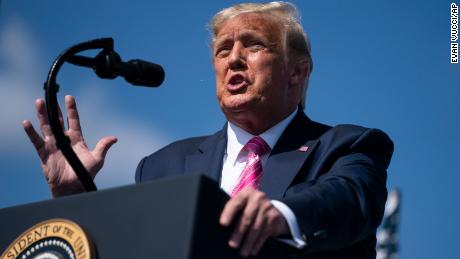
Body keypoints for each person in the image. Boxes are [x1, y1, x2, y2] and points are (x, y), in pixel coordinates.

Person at [23, 2, 393, 258]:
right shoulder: (162, 166)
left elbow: (348, 200)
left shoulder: (346, 146)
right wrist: (75, 200)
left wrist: (280, 213)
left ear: (297, 71)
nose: (233, 58)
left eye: (253, 45)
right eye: (222, 50)